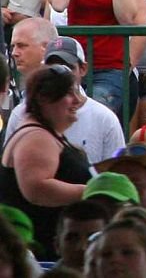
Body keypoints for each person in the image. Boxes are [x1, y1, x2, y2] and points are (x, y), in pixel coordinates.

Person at [0, 64, 90, 255]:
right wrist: (93, 190)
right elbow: (37, 189)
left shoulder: (45, 134)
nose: (77, 101)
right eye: (68, 94)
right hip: (39, 256)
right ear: (44, 98)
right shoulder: (36, 137)